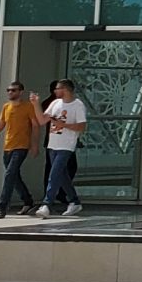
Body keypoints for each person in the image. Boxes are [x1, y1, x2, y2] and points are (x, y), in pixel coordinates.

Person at [0, 81, 44, 218]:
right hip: (8, 146)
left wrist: (34, 145)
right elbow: (0, 125)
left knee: (9, 175)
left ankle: (2, 207)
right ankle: (27, 200)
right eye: (8, 90)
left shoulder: (28, 107)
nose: (10, 93)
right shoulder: (6, 107)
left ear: (20, 92)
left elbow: (35, 126)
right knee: (13, 176)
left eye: (13, 90)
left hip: (21, 146)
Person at [38, 79, 88, 217]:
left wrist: (63, 125)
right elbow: (42, 120)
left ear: (65, 89)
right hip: (53, 143)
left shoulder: (77, 105)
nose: (55, 91)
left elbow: (82, 126)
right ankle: (74, 201)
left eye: (57, 88)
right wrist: (35, 104)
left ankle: (46, 204)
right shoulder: (55, 103)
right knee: (61, 175)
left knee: (54, 174)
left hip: (66, 145)